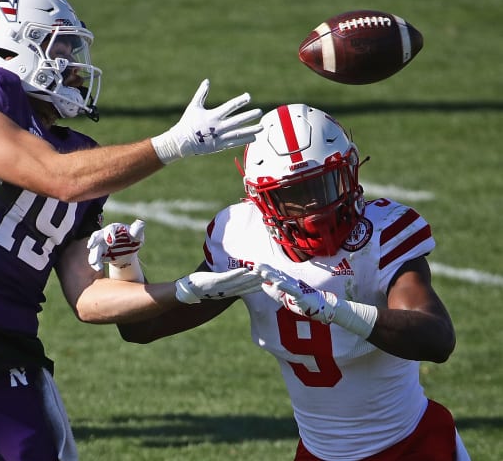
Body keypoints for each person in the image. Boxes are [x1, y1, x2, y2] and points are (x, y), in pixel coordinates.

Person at [0, 0, 265, 460]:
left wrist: (184, 289)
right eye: (56, 46)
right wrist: (171, 145)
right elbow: (56, 178)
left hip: (5, 378)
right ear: (5, 45)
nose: (70, 61)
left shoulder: (81, 155)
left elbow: (87, 298)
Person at [111, 104, 471, 460]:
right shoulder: (241, 239)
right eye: (294, 196)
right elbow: (142, 330)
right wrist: (124, 266)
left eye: (325, 184)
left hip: (410, 445)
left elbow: (436, 339)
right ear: (261, 200)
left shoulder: (381, 234)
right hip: (318, 453)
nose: (315, 208)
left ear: (349, 172)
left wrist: (336, 310)